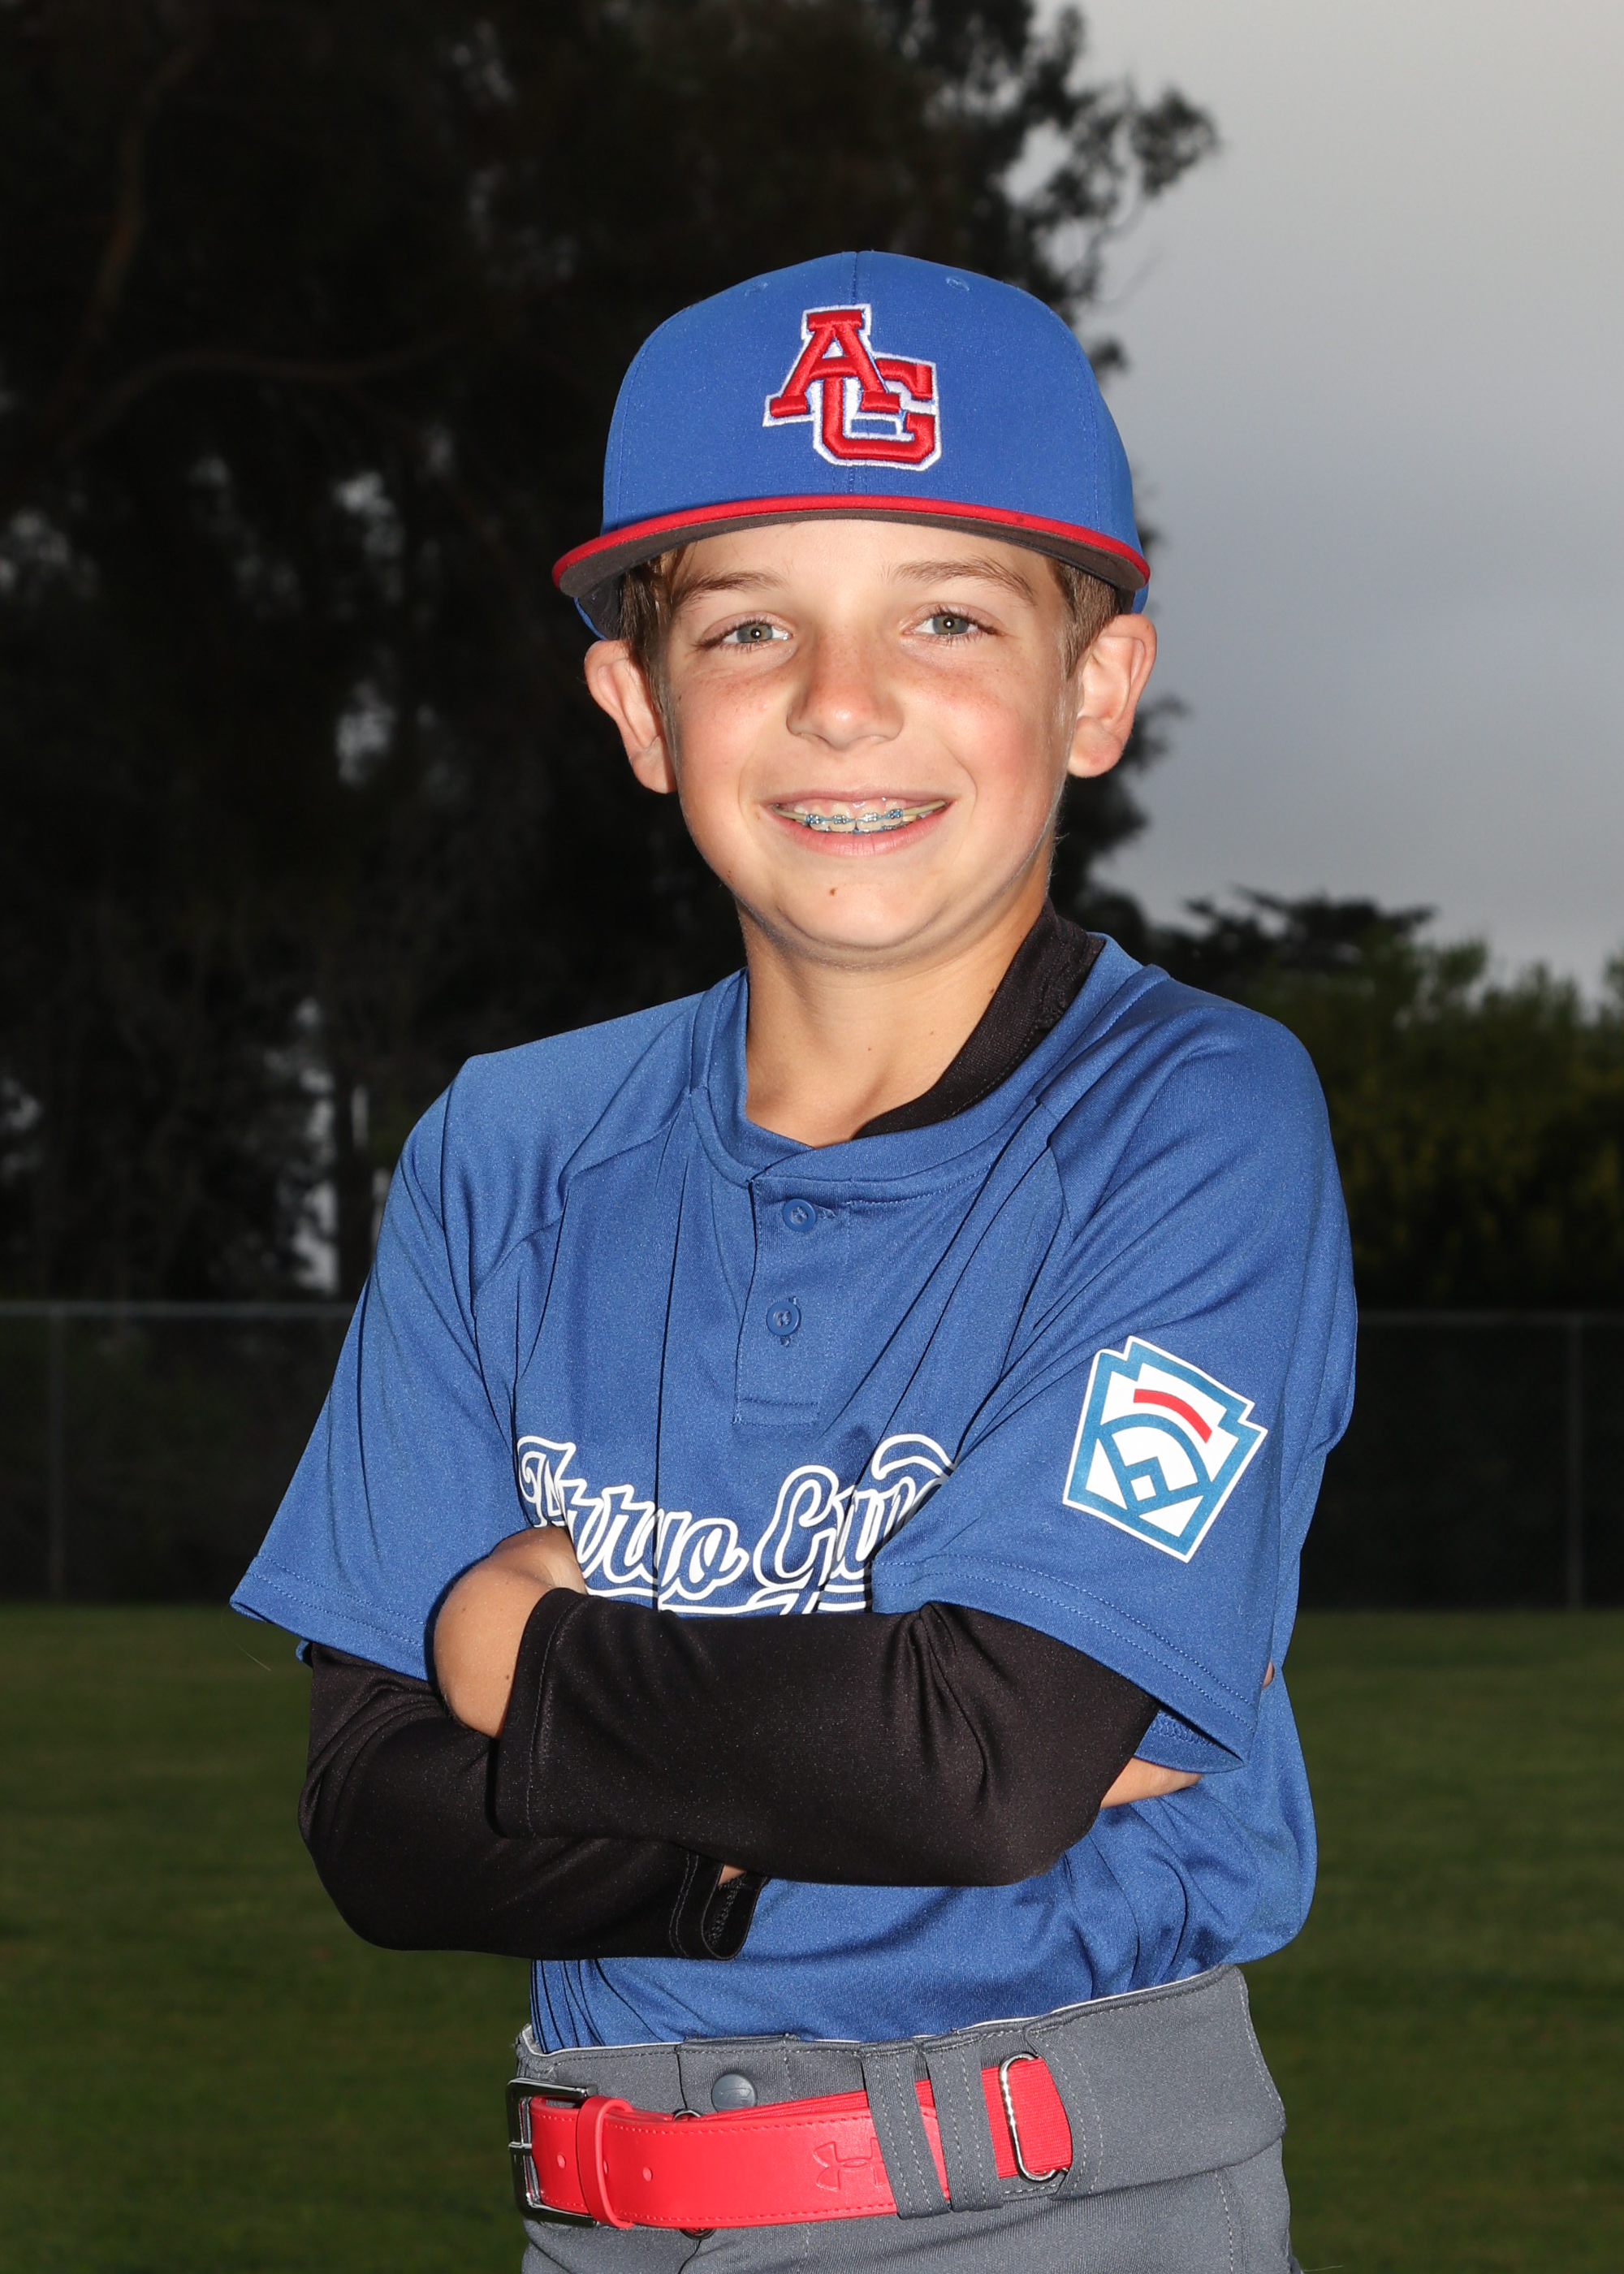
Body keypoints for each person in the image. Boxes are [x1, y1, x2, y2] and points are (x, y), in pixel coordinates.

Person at [234, 250, 1354, 2274]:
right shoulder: (511, 1146)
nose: (844, 700)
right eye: (750, 625)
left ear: (1094, 688)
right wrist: (812, 1795)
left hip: (1053, 2195)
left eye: (947, 615)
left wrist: (519, 1662)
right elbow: (378, 1820)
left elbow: (982, 1751)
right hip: (599, 2213)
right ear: (639, 706)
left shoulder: (1193, 1115)